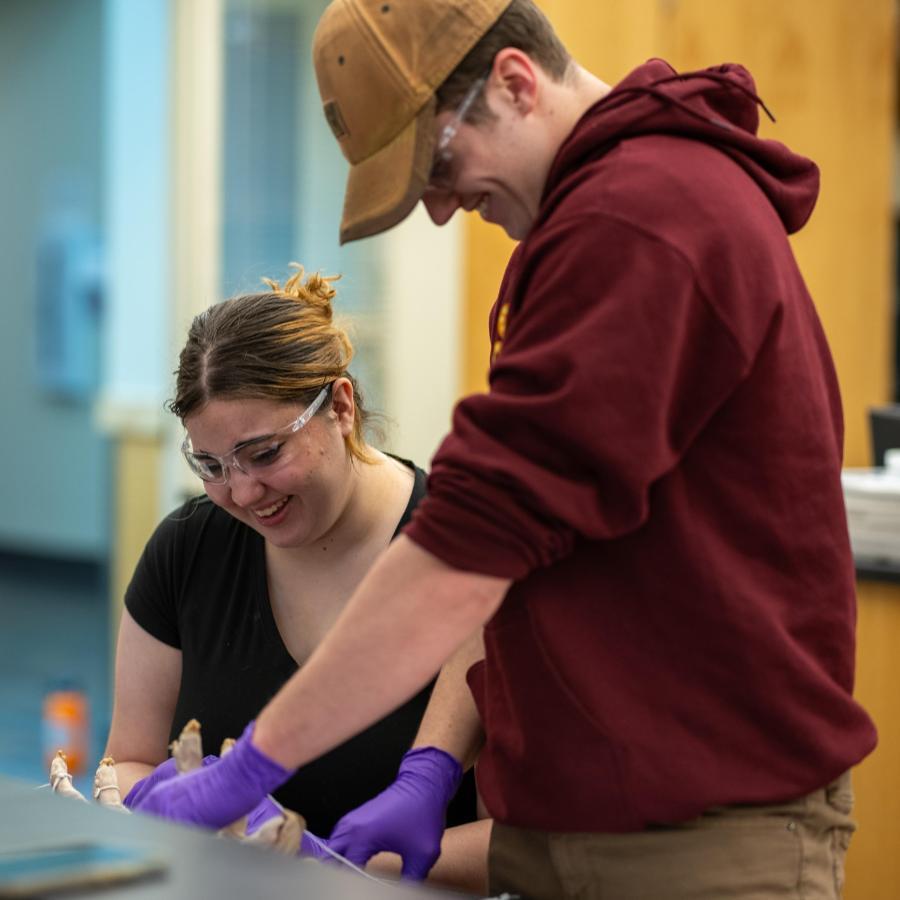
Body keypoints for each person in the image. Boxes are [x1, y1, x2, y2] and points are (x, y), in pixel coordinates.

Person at [132, 2, 878, 897]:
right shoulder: (606, 219)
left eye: (437, 167)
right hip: (588, 829)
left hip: (694, 838)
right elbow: (538, 538)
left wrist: (254, 766)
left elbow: (472, 545)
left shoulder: (642, 220)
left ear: (516, 82)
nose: (442, 211)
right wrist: (436, 772)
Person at [103, 266, 487, 892]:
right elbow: (130, 758)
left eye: (265, 453)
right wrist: (153, 803)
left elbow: (527, 840)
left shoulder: (467, 554)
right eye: (210, 464)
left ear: (340, 405)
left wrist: (331, 867)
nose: (243, 492)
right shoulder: (188, 549)